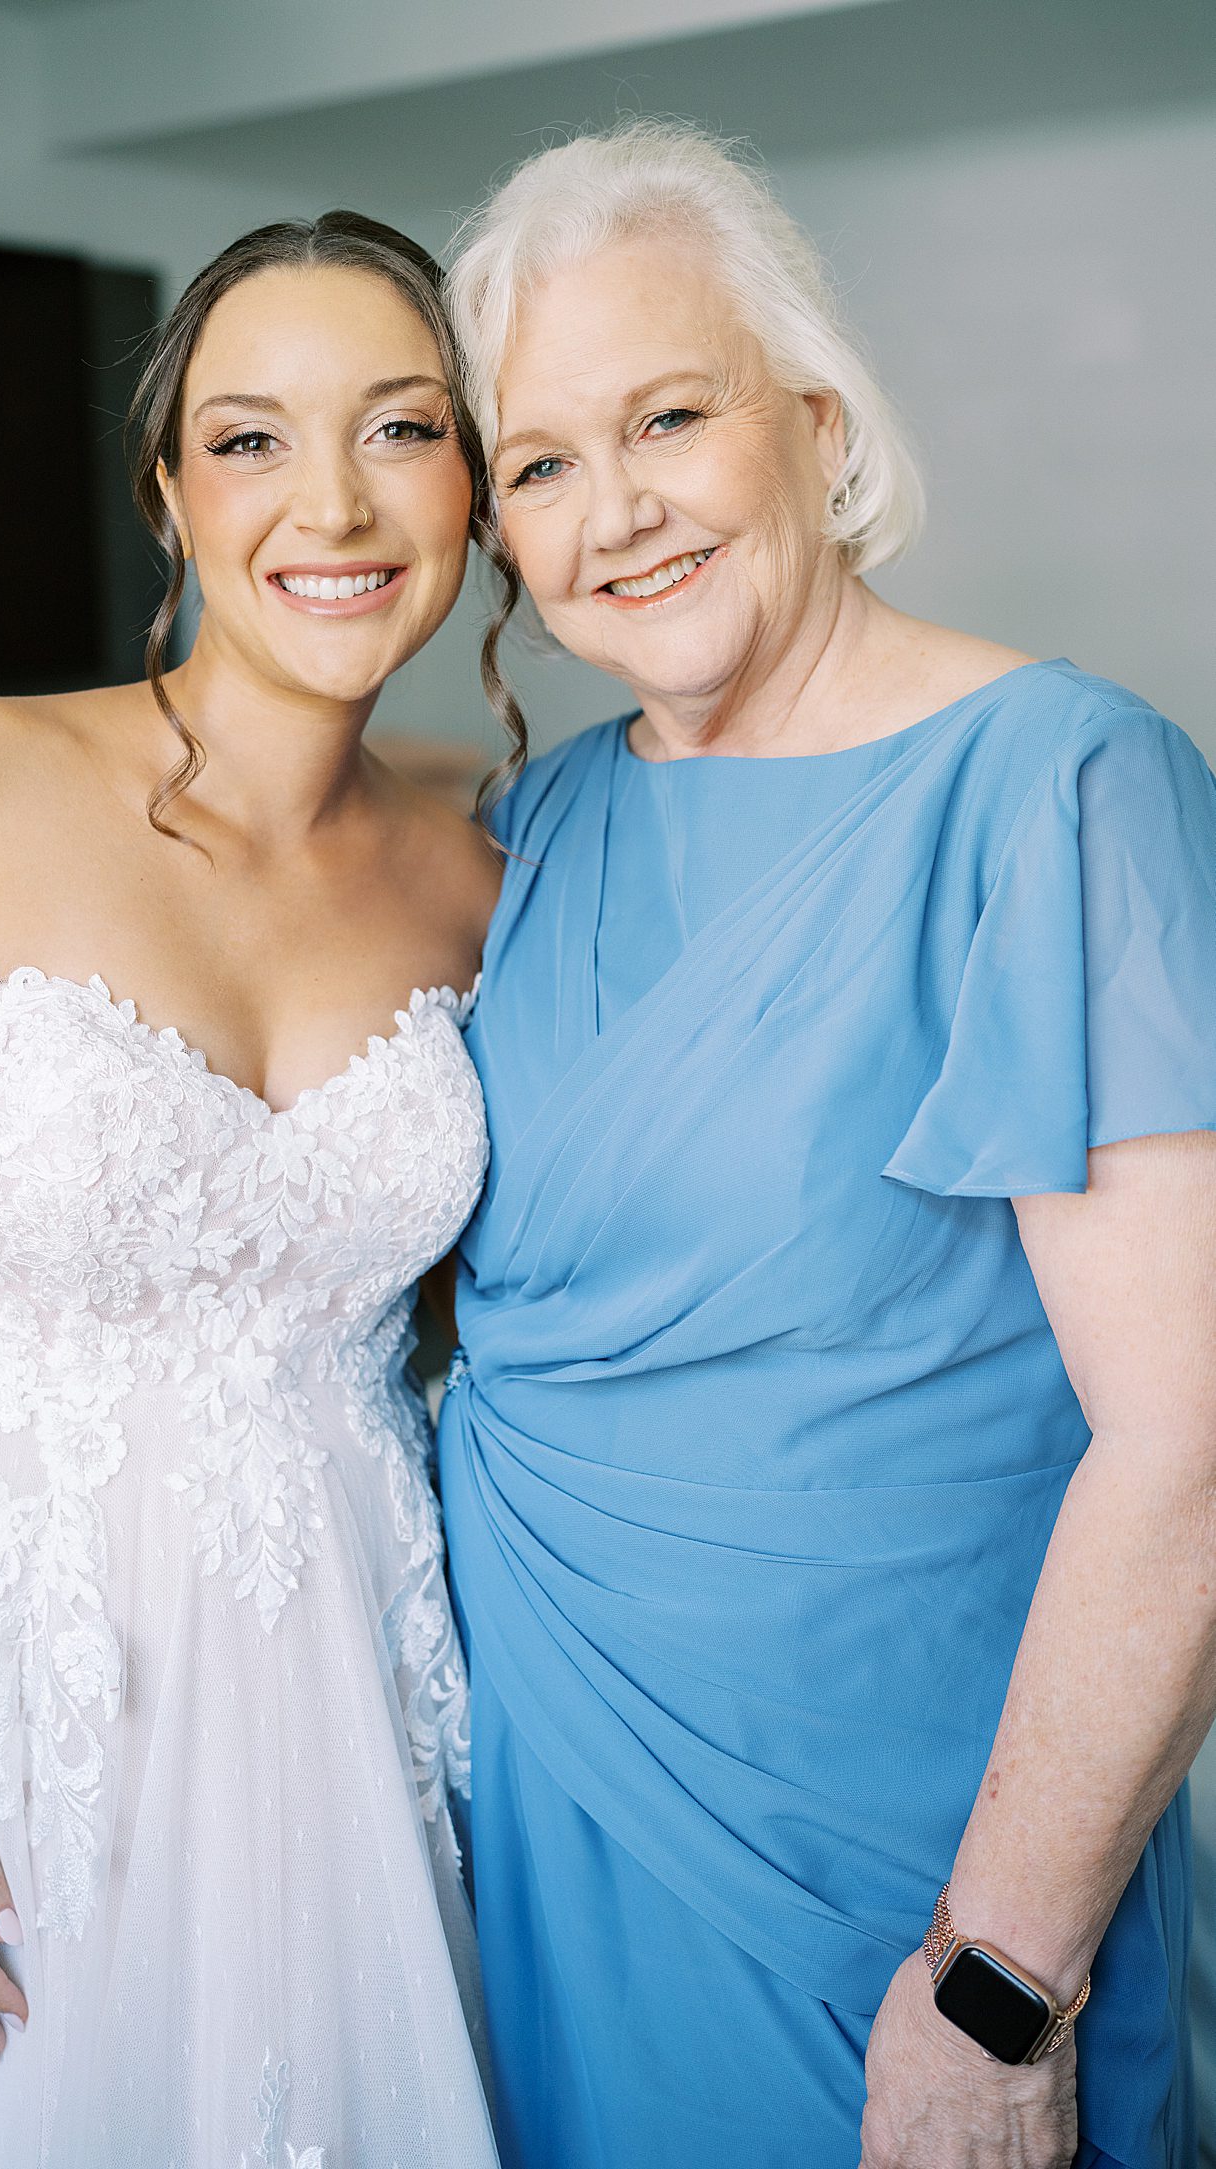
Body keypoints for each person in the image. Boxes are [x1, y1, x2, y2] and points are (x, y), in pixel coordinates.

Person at [429, 121, 1216, 2168]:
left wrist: (998, 1981)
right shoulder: (525, 832)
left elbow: (1192, 1446)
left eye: (668, 418)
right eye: (541, 462)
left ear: (818, 421)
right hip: (554, 1826)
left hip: (912, 1900)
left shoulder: (1060, 786)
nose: (617, 510)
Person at [0, 212, 505, 2167]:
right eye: (250, 439)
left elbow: (487, 1303)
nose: (332, 501)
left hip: (354, 1724)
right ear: (168, 493)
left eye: (401, 427)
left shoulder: (493, 877)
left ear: (477, 483)